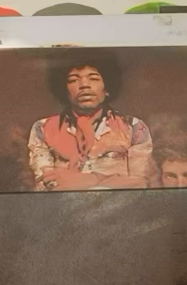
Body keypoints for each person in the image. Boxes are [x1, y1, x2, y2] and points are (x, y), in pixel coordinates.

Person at [26, 58, 158, 190]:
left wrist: (92, 179)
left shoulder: (134, 127)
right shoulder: (43, 128)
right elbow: (45, 185)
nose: (84, 85)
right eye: (73, 80)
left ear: (107, 88)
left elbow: (140, 184)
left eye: (93, 78)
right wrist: (113, 180)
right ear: (64, 90)